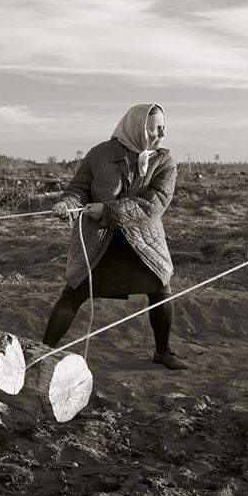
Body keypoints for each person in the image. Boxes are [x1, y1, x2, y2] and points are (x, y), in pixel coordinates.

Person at [44, 103, 187, 369]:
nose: (162, 135)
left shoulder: (164, 162)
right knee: (73, 292)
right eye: (157, 128)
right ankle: (41, 351)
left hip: (142, 243)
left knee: (160, 287)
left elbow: (154, 204)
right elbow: (79, 189)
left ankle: (163, 352)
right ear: (138, 128)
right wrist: (68, 205)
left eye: (163, 129)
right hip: (98, 241)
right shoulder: (99, 154)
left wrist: (109, 210)